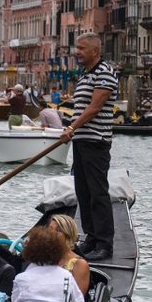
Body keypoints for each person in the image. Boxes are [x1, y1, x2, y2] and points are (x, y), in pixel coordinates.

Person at [59, 32, 118, 262]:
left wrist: (71, 127)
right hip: (82, 141)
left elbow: (94, 108)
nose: (77, 52)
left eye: (82, 48)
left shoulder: (105, 73)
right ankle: (92, 238)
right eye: (77, 48)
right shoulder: (85, 75)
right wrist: (74, 131)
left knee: (97, 193)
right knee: (83, 192)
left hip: (96, 140)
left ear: (95, 51)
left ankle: (105, 244)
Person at [49, 213, 90, 295]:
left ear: (68, 235)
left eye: (58, 231)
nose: (51, 233)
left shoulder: (79, 264)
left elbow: (77, 300)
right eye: (50, 229)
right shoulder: (41, 257)